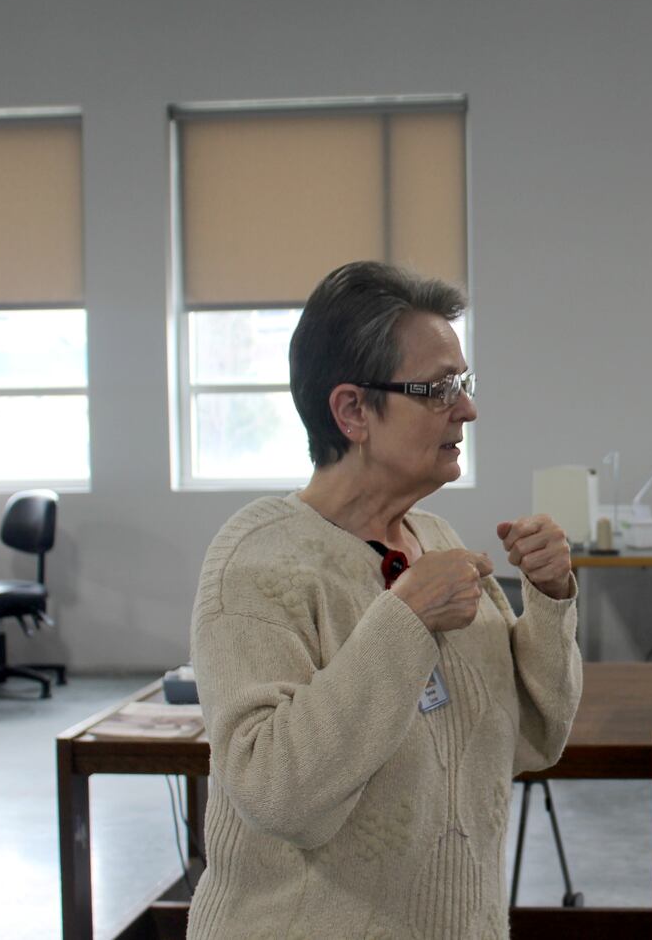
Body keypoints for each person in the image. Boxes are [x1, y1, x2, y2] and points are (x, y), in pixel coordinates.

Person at [188, 261, 582, 940]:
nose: (468, 408)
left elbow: (530, 738)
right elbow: (276, 791)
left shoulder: (434, 538)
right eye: (438, 389)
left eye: (464, 383)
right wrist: (405, 619)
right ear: (351, 411)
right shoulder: (257, 561)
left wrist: (549, 601)